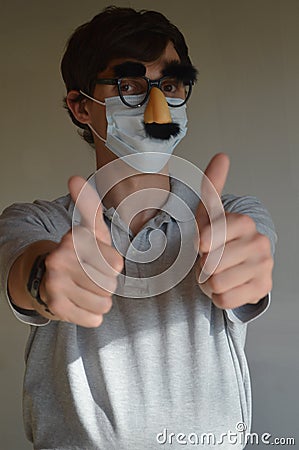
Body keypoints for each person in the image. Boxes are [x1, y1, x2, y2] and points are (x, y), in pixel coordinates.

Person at [0, 6, 276, 450]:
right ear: (80, 107)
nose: (156, 105)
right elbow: (25, 270)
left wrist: (247, 275)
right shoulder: (37, 223)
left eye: (169, 85)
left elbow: (254, 260)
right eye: (128, 86)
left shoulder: (229, 215)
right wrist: (45, 279)